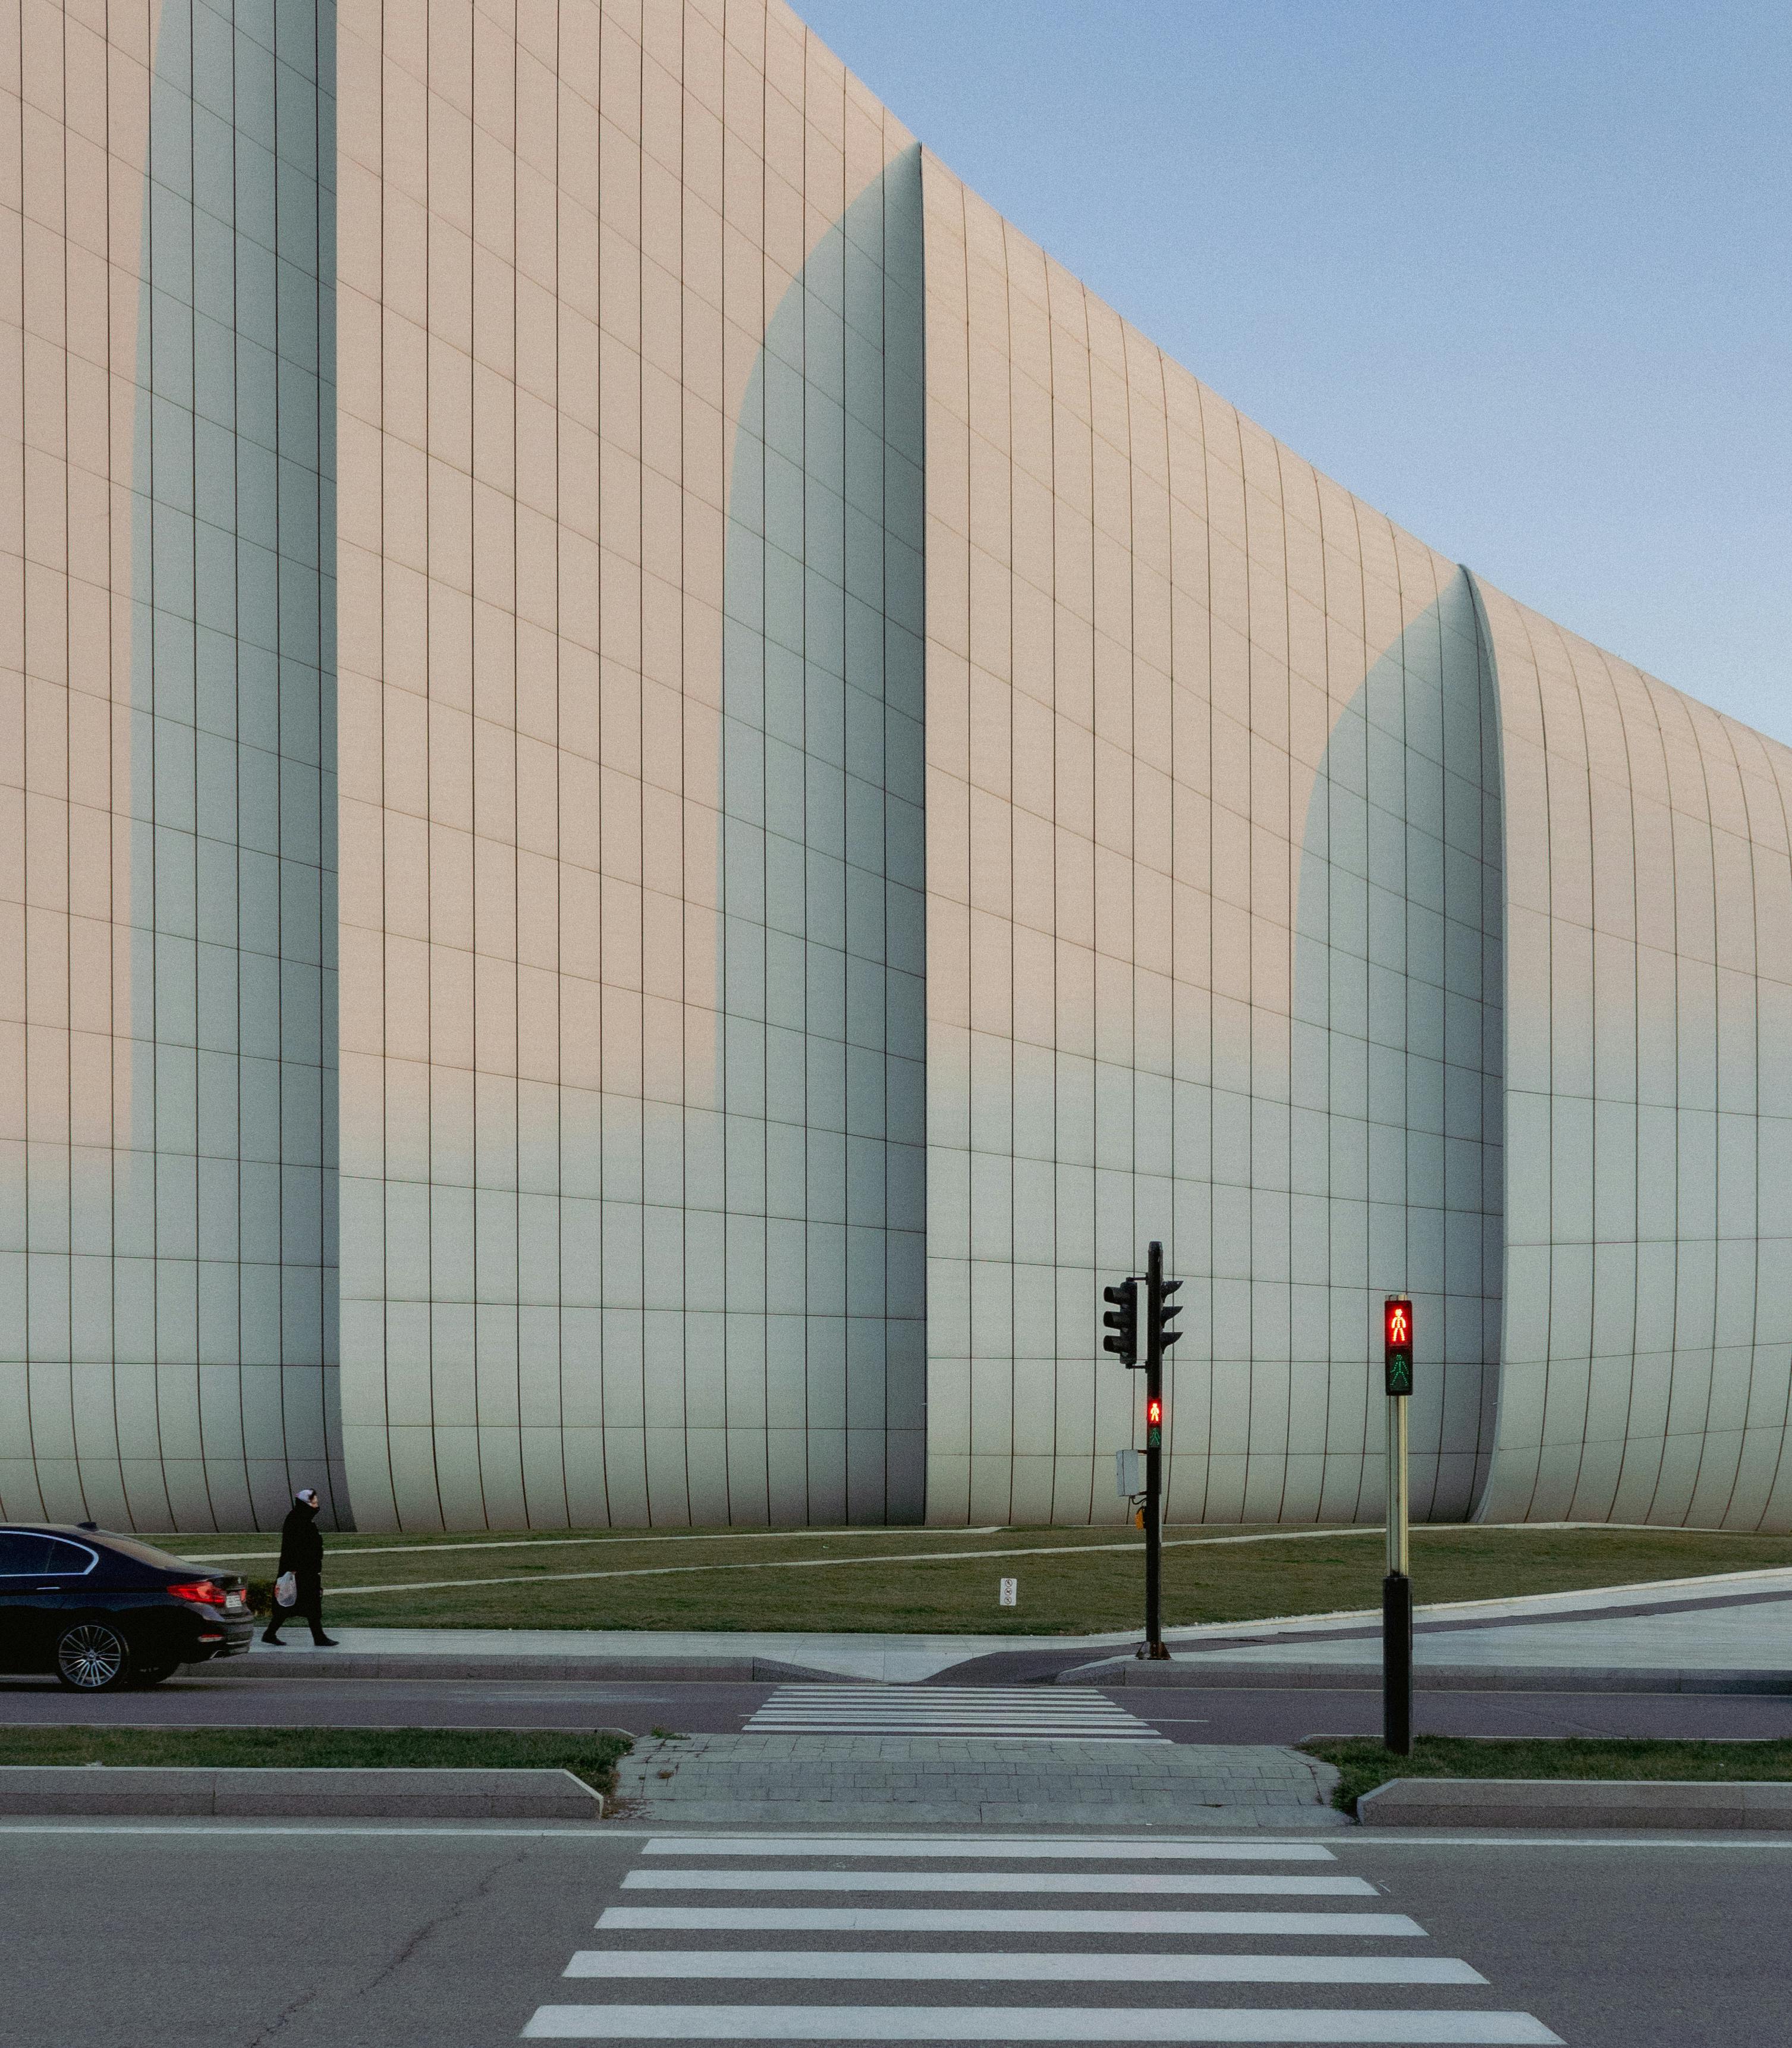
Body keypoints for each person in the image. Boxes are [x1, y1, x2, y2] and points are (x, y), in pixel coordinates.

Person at [262, 1486, 339, 1647]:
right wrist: (294, 1568)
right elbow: (294, 1546)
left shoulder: (303, 1518)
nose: (316, 1506)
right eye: (313, 1503)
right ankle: (318, 1637)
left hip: (306, 1570)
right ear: (305, 1504)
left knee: (296, 1604)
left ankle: (270, 1634)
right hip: (300, 1571)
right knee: (303, 1603)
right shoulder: (297, 1520)